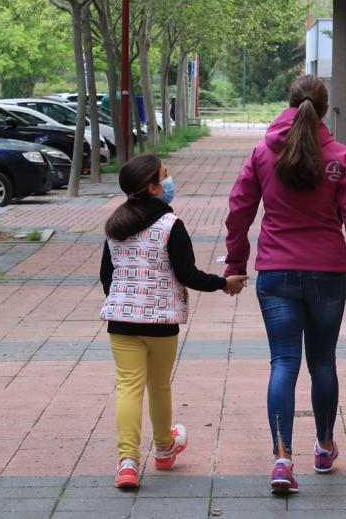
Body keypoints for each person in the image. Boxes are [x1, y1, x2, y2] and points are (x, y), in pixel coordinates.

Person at [224, 75, 346, 494]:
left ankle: (281, 459)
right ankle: (325, 446)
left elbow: (239, 211)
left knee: (283, 363)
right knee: (323, 363)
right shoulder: (341, 158)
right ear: (324, 110)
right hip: (327, 275)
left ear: (290, 103)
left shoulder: (263, 153)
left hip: (275, 274)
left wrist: (236, 264)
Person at [101, 154, 248, 490]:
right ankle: (165, 449)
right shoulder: (171, 225)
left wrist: (125, 303)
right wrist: (225, 282)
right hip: (161, 323)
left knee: (128, 387)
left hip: (121, 322)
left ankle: (127, 463)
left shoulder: (116, 225)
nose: (170, 180)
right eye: (165, 175)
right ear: (153, 187)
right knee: (160, 385)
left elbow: (106, 276)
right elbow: (188, 275)